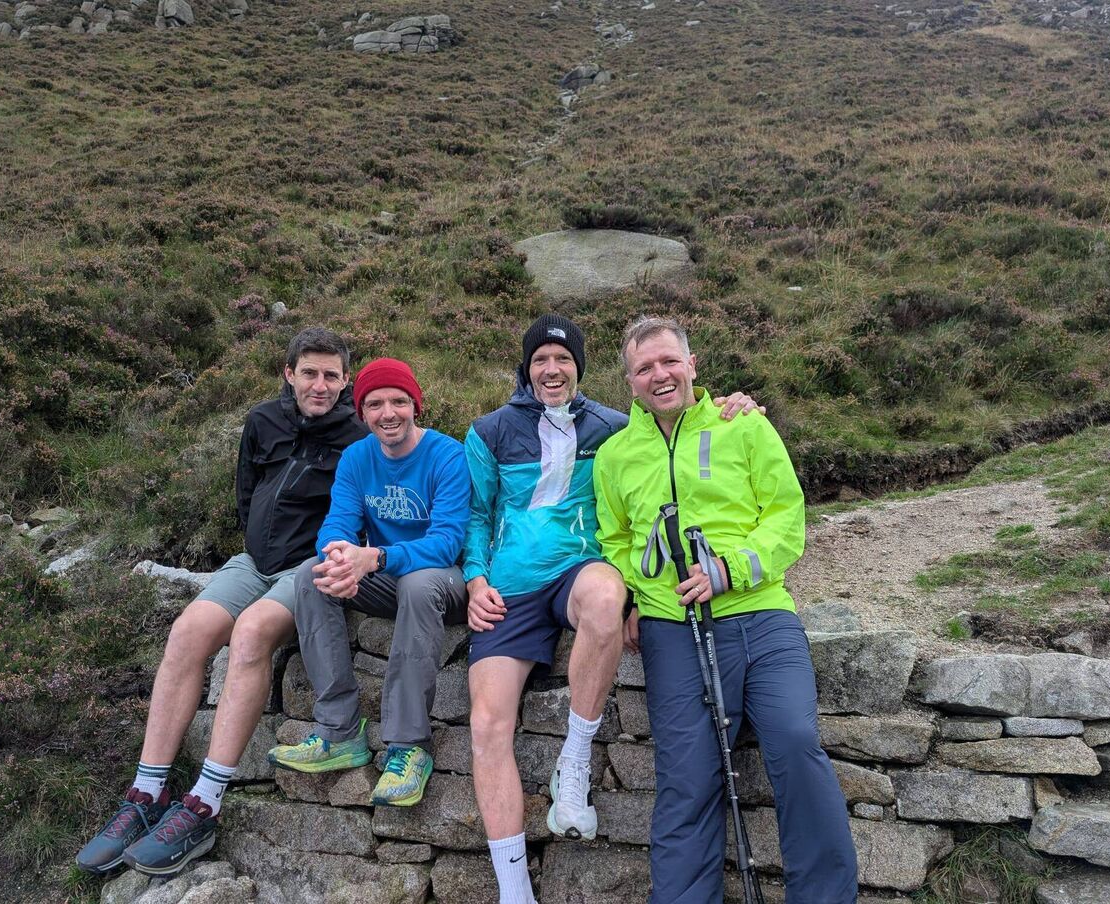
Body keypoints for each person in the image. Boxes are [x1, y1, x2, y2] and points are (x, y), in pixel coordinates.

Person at [465, 314, 762, 904]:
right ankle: (515, 893)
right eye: (540, 360)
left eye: (563, 359)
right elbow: (477, 513)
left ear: (580, 367)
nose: (552, 369)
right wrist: (475, 579)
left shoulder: (613, 428)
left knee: (605, 597)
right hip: (508, 586)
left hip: (579, 570)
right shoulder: (489, 430)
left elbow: (672, 439)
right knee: (486, 725)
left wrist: (737, 406)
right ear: (526, 368)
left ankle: (574, 764)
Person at [76, 327, 369, 877]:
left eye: (331, 375)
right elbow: (246, 492)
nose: (320, 385)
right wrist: (255, 543)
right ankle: (147, 792)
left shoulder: (358, 437)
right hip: (253, 561)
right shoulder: (263, 420)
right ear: (289, 373)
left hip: (306, 570)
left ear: (345, 380)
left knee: (252, 632)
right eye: (309, 372)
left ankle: (205, 802)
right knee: (187, 632)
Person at [594, 315, 858, 904]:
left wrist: (729, 569)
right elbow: (615, 539)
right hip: (673, 629)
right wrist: (635, 597)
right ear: (630, 382)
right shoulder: (613, 456)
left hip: (764, 617)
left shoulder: (745, 426)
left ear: (692, 364)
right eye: (644, 368)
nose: (660, 375)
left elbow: (786, 517)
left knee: (795, 741)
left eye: (669, 361)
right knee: (687, 776)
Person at [267, 357, 469, 808]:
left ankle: (408, 746)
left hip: (444, 582)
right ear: (362, 412)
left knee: (418, 584)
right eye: (375, 404)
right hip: (388, 576)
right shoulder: (358, 458)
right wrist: (339, 557)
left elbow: (447, 543)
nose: (388, 413)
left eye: (399, 401)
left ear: (416, 405)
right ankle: (339, 732)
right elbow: (338, 522)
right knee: (312, 575)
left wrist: (375, 557)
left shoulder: (447, 455)